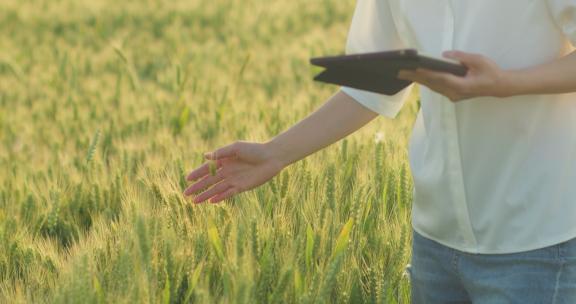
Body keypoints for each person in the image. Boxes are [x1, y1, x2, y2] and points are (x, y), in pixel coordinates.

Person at [184, 0, 576, 302]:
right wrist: (275, 153)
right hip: (435, 241)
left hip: (537, 243)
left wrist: (505, 83)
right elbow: (369, 87)